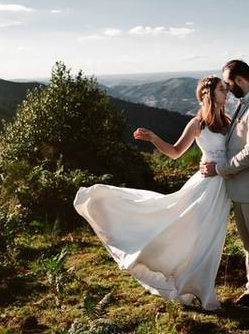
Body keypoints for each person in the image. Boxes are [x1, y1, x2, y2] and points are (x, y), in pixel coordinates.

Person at [73, 75, 232, 311]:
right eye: (222, 89)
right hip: (205, 187)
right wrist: (154, 138)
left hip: (223, 186)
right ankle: (197, 289)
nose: (226, 92)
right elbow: (176, 152)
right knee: (197, 235)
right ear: (208, 94)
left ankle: (197, 287)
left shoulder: (228, 121)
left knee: (213, 239)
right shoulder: (197, 124)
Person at [200, 59, 249, 324]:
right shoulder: (244, 102)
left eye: (229, 83)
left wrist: (221, 168)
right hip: (241, 189)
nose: (227, 87)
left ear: (241, 80)